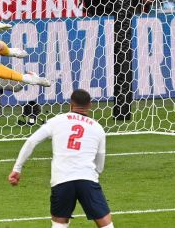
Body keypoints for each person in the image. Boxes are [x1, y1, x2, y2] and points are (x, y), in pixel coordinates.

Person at [8, 89, 113, 228]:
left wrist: (17, 168)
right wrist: (93, 174)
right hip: (87, 178)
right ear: (89, 105)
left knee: (59, 223)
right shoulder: (98, 128)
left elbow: (31, 141)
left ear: (71, 104)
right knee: (105, 224)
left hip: (62, 180)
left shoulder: (56, 121)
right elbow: (100, 163)